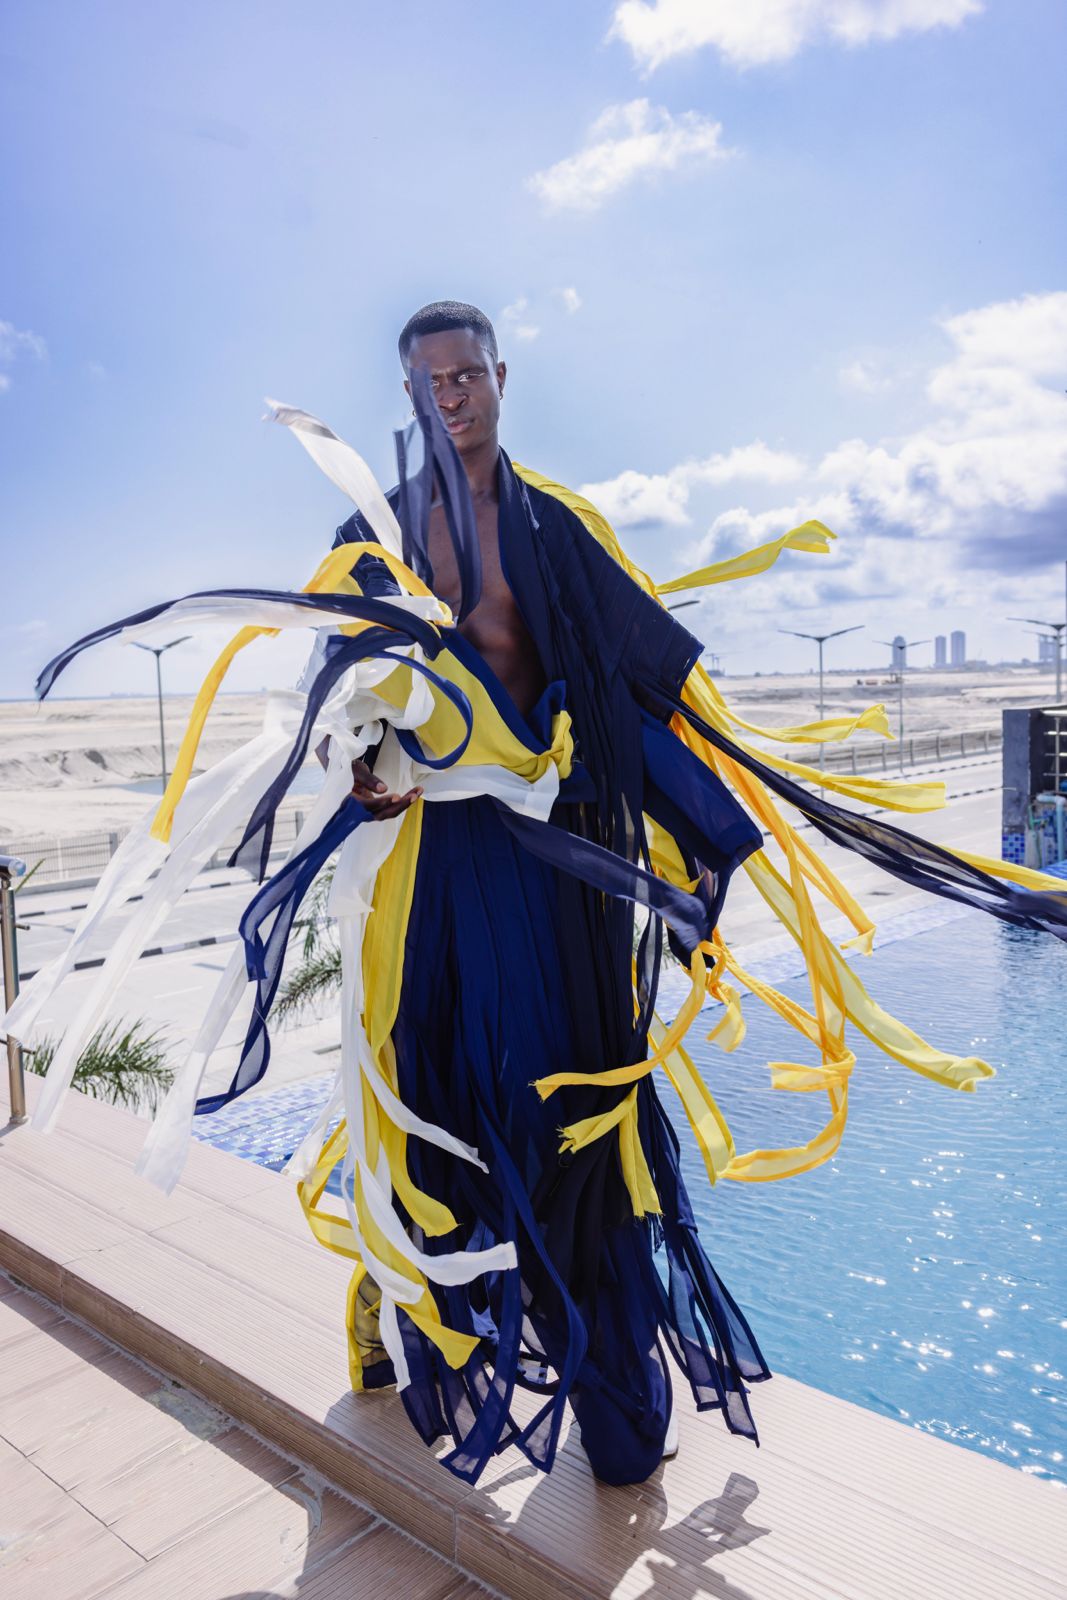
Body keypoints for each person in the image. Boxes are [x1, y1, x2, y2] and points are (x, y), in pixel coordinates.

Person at [11, 300, 1067, 1491]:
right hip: (428, 872)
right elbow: (328, 703)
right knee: (426, 1094)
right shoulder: (367, 539)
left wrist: (698, 833)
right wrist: (359, 768)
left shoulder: (554, 527)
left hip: (559, 868)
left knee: (575, 1112)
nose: (450, 394)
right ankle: (416, 1323)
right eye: (430, 381)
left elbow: (646, 687)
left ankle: (613, 1397)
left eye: (467, 374)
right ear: (407, 397)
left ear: (499, 378)